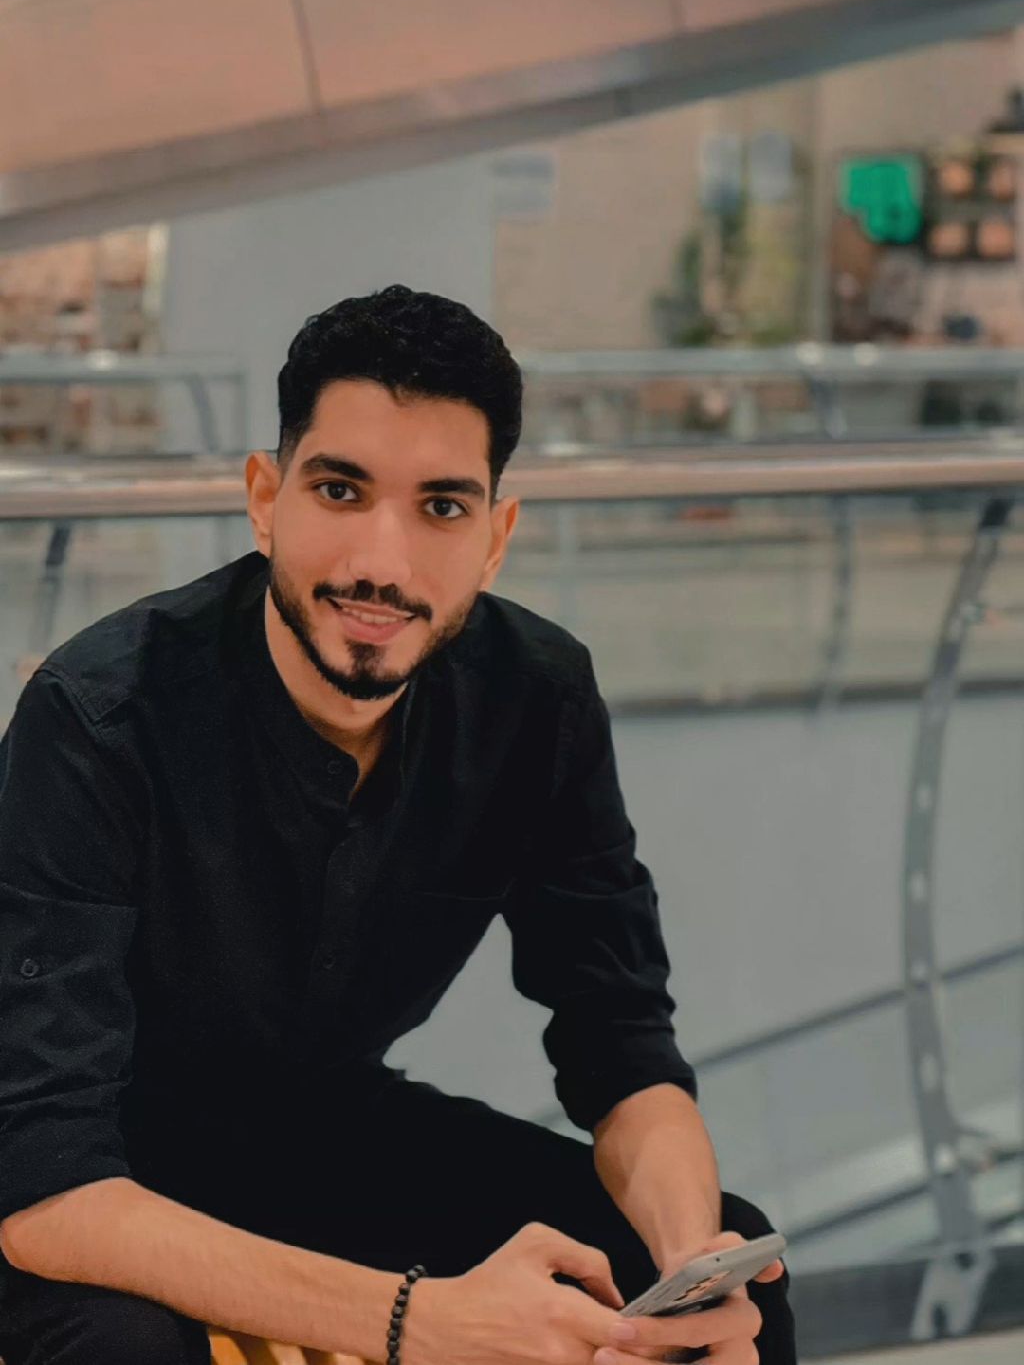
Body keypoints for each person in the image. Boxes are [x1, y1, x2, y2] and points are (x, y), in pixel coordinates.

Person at [0, 286, 795, 1365]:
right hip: (96, 1172)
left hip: (317, 1130)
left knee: (731, 1269)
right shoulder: (99, 715)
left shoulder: (537, 696)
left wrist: (688, 1266)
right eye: (340, 490)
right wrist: (422, 1319)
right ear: (265, 499)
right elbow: (45, 1183)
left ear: (496, 537)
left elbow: (622, 1046)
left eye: (442, 507)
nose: (383, 560)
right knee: (125, 1350)